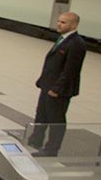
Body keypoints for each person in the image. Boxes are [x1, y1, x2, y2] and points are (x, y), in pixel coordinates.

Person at [28, 12, 87, 157]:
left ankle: (51, 149)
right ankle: (36, 140)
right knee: (41, 114)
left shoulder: (76, 44)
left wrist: (57, 89)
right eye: (59, 21)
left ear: (74, 25)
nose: (59, 24)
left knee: (56, 119)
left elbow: (70, 70)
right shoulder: (62, 39)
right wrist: (42, 81)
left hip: (58, 90)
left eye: (63, 22)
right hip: (47, 85)